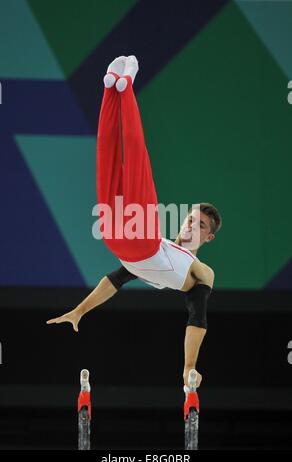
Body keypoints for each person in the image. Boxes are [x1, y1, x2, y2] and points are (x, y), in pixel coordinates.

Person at [47, 56, 222, 389]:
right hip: (136, 244)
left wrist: (188, 366)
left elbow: (197, 318)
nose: (188, 226)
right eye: (189, 219)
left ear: (209, 237)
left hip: (123, 240)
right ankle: (115, 88)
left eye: (199, 225)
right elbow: (113, 281)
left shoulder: (202, 271)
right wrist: (80, 310)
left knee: (114, 161)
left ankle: (118, 91)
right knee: (128, 159)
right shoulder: (166, 244)